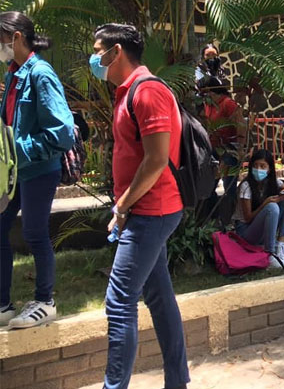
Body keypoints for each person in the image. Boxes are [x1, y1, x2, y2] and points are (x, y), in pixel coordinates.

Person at [91, 23, 188, 389]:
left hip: (152, 210)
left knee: (119, 303)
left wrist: (122, 205)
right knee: (159, 297)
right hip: (146, 209)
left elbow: (157, 160)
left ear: (116, 52)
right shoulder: (129, 92)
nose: (94, 58)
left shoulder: (147, 93)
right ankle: (177, 382)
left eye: (98, 50)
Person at [0, 12, 74, 328]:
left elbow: (63, 132)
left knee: (34, 233)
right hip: (14, 172)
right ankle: (3, 304)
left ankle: (45, 301)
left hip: (38, 170)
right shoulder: (14, 74)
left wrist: (19, 150)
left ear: (15, 38)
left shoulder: (41, 75)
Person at [234, 149, 284, 267]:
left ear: (269, 169)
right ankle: (270, 253)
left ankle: (281, 243)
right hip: (246, 231)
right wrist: (265, 204)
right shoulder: (246, 186)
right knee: (272, 207)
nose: (258, 169)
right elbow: (247, 218)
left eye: (262, 166)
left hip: (262, 229)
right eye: (255, 165)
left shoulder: (271, 182)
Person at [199, 75, 245, 221]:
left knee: (228, 185)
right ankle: (213, 218)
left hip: (229, 149)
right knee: (210, 184)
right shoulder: (208, 106)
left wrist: (240, 147)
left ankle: (231, 218)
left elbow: (241, 125)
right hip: (213, 150)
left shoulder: (228, 104)